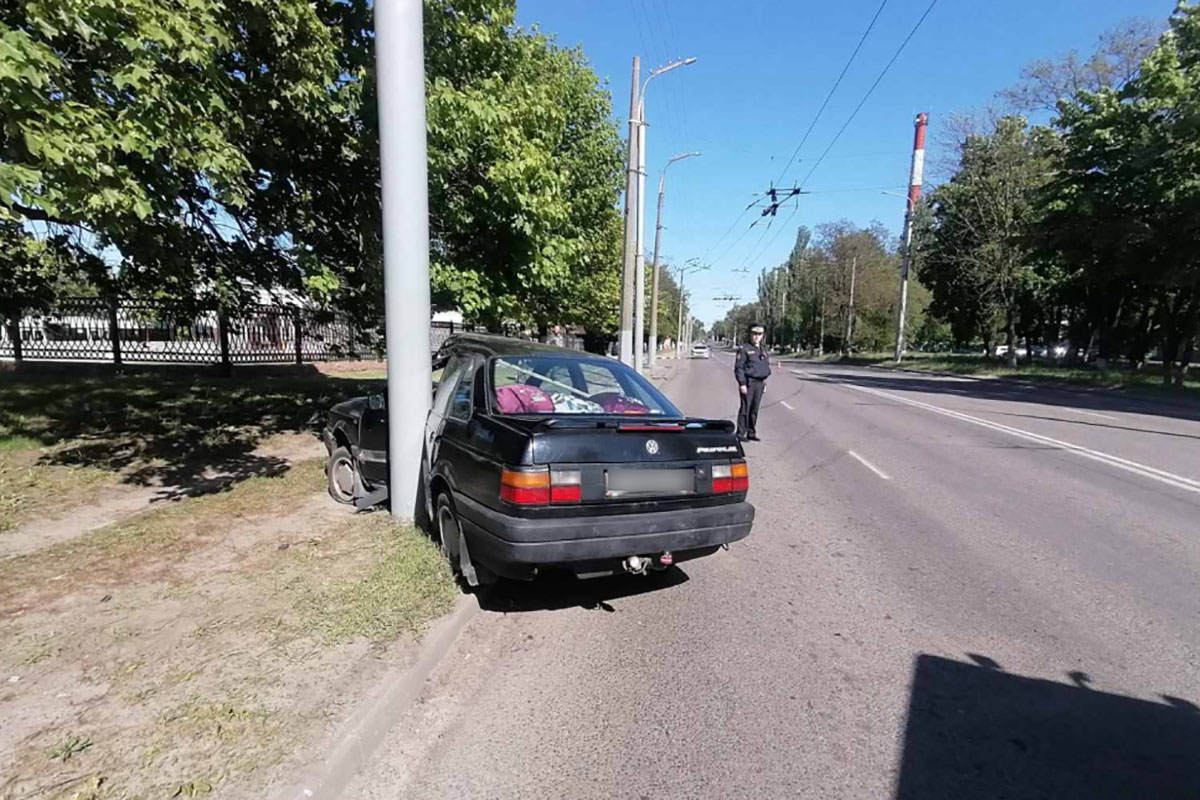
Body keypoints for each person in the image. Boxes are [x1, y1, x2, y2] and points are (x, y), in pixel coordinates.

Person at [734, 323, 771, 442]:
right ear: (750, 335)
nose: (756, 337)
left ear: (762, 336)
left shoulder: (763, 349)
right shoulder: (744, 349)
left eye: (759, 334)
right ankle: (740, 433)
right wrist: (742, 384)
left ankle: (751, 432)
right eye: (754, 334)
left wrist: (764, 383)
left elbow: (764, 367)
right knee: (745, 408)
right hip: (748, 382)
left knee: (754, 409)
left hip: (759, 383)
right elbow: (739, 368)